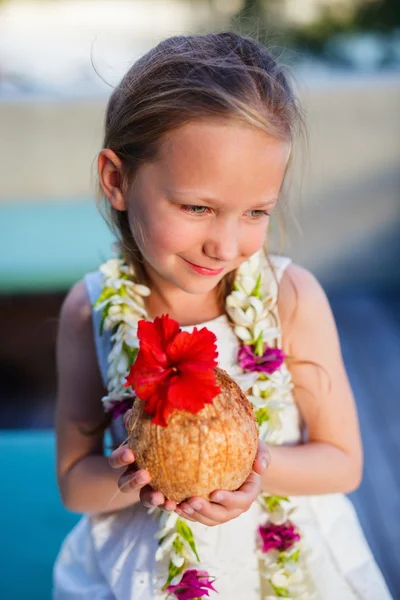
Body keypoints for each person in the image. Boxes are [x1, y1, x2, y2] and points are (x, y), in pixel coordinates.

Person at [53, 32, 392, 599]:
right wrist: (140, 476)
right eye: (197, 207)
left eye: (257, 211)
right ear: (117, 180)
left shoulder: (292, 298)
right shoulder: (90, 309)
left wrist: (248, 468)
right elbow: (74, 484)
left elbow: (343, 463)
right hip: (148, 571)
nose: (225, 244)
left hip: (280, 556)